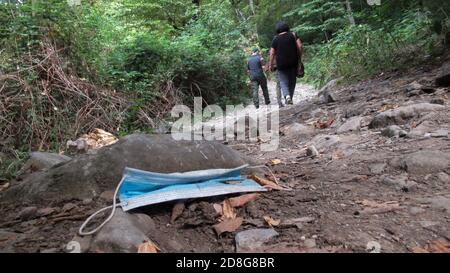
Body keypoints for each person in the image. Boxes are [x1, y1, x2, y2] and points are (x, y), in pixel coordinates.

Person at [269, 21, 303, 105]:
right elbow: (300, 46)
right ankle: (289, 99)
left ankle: (287, 96)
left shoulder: (275, 39)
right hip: (293, 61)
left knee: (283, 81)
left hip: (281, 64)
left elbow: (272, 53)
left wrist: (271, 65)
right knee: (292, 81)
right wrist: (299, 58)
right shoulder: (293, 35)